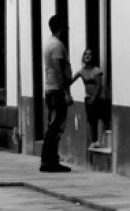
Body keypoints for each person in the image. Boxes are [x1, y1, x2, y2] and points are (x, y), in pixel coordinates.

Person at [40, 14, 73, 172]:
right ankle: (50, 161)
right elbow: (59, 69)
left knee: (52, 125)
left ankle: (48, 160)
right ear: (60, 27)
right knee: (56, 126)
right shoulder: (57, 46)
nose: (67, 28)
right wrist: (66, 92)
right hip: (56, 90)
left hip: (50, 88)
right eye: (65, 25)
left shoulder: (49, 44)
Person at [71, 48, 105, 148]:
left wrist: (94, 98)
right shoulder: (81, 72)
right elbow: (71, 80)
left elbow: (99, 86)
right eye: (85, 54)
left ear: (93, 57)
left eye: (89, 54)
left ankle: (99, 140)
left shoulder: (96, 71)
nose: (87, 56)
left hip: (98, 98)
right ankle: (92, 140)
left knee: (99, 118)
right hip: (88, 98)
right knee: (90, 120)